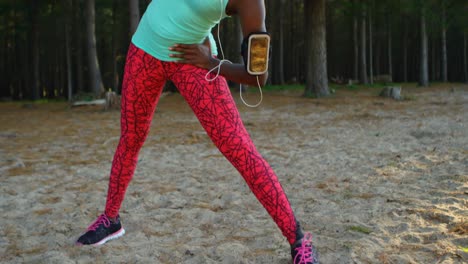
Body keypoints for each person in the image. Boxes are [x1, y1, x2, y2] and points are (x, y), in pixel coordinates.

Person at [76, 0, 318, 263]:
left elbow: (258, 75)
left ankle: (298, 240)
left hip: (192, 59)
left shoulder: (251, 4)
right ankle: (110, 219)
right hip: (145, 50)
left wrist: (212, 62)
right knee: (131, 138)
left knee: (240, 149)